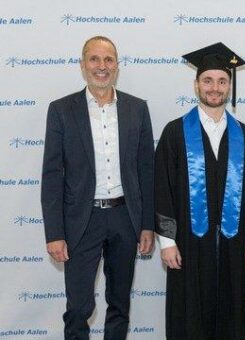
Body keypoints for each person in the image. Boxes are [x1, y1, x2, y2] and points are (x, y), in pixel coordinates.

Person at [41, 36, 154, 340]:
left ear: (116, 66)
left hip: (124, 219)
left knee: (119, 303)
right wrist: (55, 233)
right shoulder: (62, 110)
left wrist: (147, 225)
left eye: (108, 60)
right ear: (82, 65)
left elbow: (146, 171)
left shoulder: (137, 109)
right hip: (81, 221)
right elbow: (52, 175)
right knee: (79, 306)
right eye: (94, 59)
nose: (101, 67)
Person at [154, 42, 245, 340]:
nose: (214, 88)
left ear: (229, 85)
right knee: (188, 314)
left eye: (221, 81)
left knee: (230, 313)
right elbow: (162, 187)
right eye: (208, 81)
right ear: (196, 84)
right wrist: (167, 241)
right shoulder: (175, 132)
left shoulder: (244, 134)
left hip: (233, 244)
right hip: (188, 245)